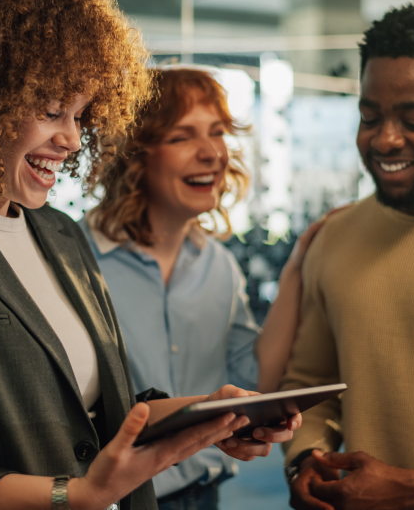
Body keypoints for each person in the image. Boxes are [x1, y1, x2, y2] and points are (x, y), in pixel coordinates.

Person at [0, 0, 301, 510]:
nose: (69, 139)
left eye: (80, 115)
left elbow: (102, 412)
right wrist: (75, 496)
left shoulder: (58, 234)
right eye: (49, 111)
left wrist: (204, 417)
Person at [80, 67, 321, 509]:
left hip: (204, 494)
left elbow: (254, 377)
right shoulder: (75, 261)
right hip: (114, 498)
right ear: (135, 154)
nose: (212, 153)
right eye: (183, 137)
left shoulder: (219, 266)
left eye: (217, 134)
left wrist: (299, 267)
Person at [281, 0, 414, 510]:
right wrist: (307, 457)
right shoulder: (335, 236)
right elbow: (312, 384)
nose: (384, 139)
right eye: (369, 116)